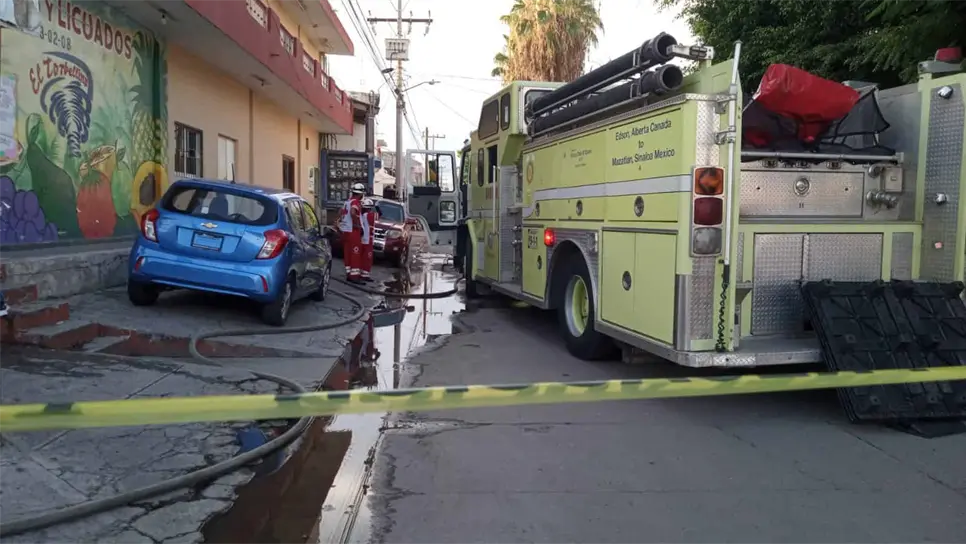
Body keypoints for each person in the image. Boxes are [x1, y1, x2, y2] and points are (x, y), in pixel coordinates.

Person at [337, 183, 366, 283]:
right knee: (355, 253)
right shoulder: (355, 202)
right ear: (360, 194)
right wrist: (357, 224)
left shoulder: (347, 202)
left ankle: (349, 274)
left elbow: (340, 212)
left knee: (348, 252)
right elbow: (353, 212)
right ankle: (354, 276)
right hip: (353, 231)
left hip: (346, 231)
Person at [360, 198, 379, 283]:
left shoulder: (362, 215)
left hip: (363, 238)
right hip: (368, 239)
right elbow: (380, 214)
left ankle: (361, 273)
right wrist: (376, 205)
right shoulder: (369, 215)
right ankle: (365, 275)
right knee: (368, 258)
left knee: (362, 257)